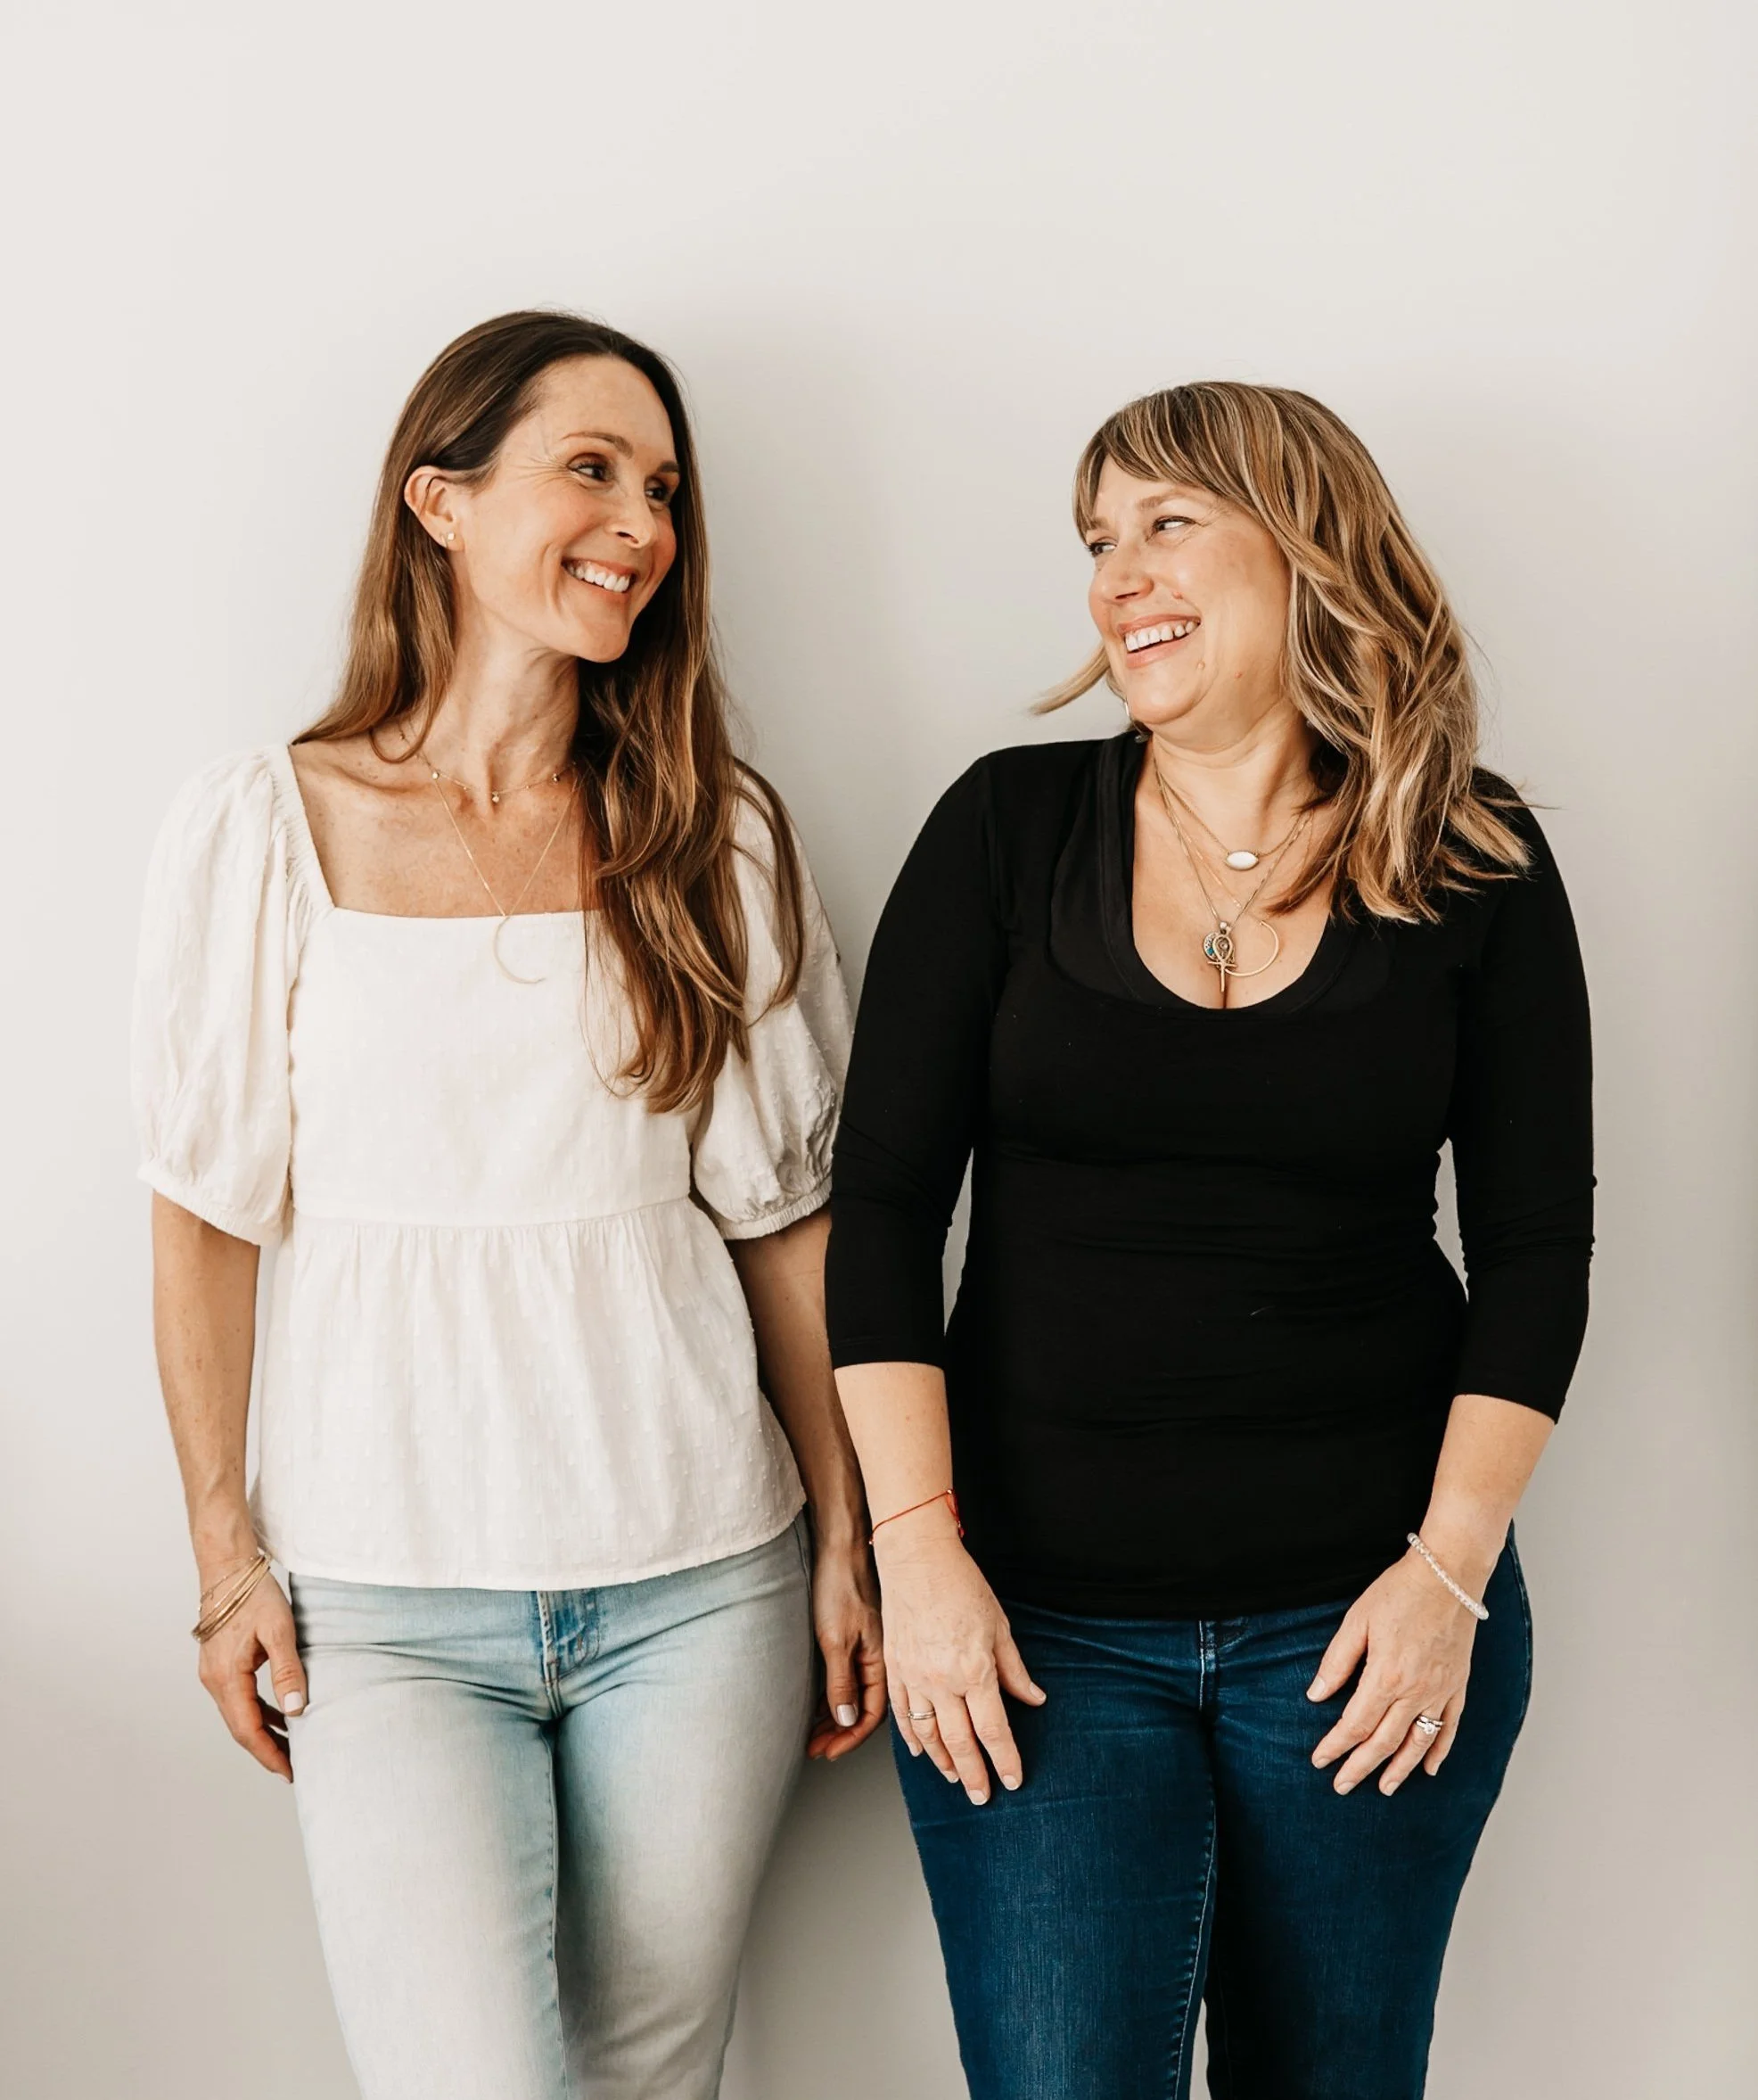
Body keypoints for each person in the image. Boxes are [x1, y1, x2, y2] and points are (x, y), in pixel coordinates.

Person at [134, 309, 883, 2100]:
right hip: (384, 1604)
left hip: (700, 1581)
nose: (642, 523)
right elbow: (200, 1223)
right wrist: (225, 1556)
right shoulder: (265, 827)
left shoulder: (712, 834)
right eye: (593, 470)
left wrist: (850, 1539)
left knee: (647, 2072)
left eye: (663, 489)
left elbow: (785, 1225)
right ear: (438, 504)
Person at [826, 381, 1592, 2100]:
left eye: (1166, 522)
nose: (1118, 577)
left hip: (1367, 1625)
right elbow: (879, 1207)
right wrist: (920, 1557)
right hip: (1032, 1636)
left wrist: (1449, 1573)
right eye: (1096, 540)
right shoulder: (1010, 831)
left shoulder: (1475, 857)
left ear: (1306, 545)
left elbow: (1539, 1249)